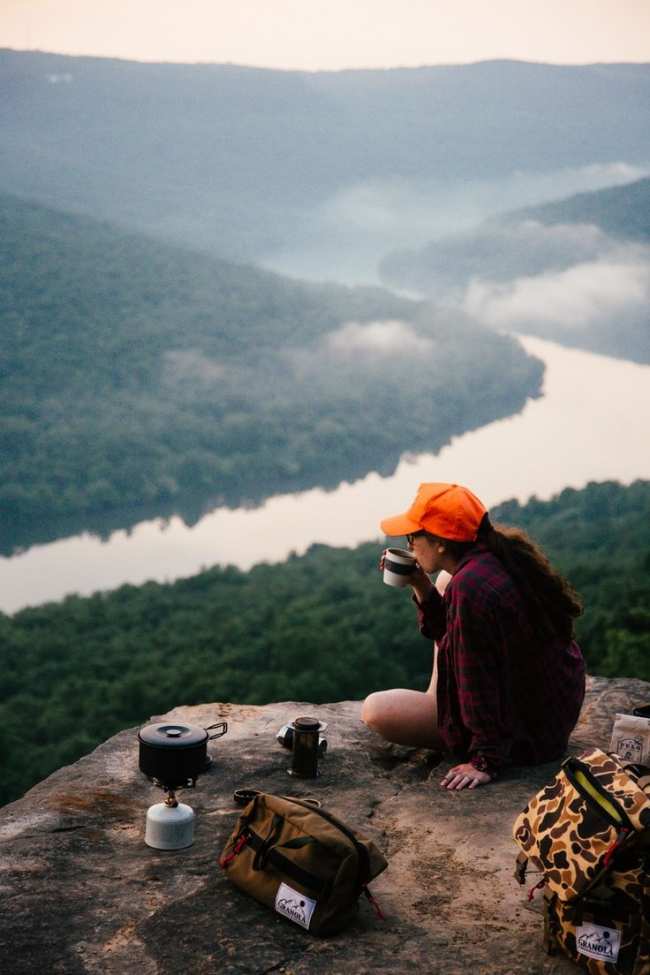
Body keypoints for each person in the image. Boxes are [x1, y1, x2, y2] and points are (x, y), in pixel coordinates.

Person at [361, 482, 585, 791]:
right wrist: (419, 584)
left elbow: (475, 680)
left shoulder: (470, 589)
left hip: (526, 735)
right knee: (442, 582)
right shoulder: (491, 557)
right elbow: (452, 635)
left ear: (441, 543)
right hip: (547, 713)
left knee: (376, 711)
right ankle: (439, 705)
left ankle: (446, 713)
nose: (409, 545)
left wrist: (485, 760)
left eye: (413, 536)